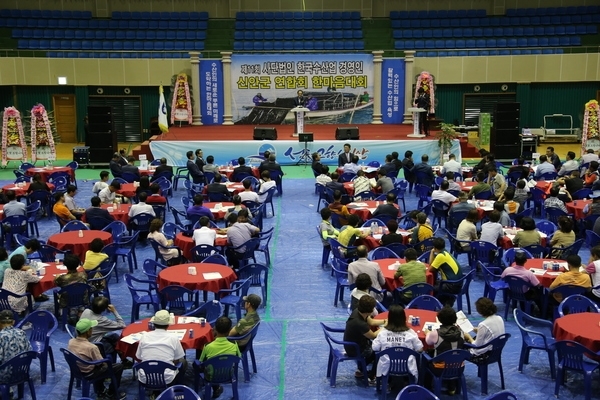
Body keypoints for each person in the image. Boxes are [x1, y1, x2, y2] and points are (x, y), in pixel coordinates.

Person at [68, 318, 126, 400]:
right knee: (117, 366)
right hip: (89, 372)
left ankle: (100, 390)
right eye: (91, 328)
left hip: (77, 369)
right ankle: (112, 393)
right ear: (88, 331)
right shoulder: (92, 347)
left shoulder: (71, 342)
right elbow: (101, 363)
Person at [372, 305, 423, 382]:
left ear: (389, 318)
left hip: (387, 366)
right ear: (404, 318)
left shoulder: (382, 333)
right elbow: (420, 349)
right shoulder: (411, 333)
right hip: (407, 367)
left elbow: (374, 348)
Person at [136, 310, 187, 386]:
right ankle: (177, 388)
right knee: (183, 362)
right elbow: (177, 359)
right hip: (167, 378)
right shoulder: (173, 338)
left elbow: (139, 357)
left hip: (145, 378)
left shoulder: (144, 336)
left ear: (154, 323)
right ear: (168, 325)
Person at [424, 306, 465, 394]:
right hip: (458, 367)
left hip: (440, 368)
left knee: (426, 358)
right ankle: (452, 387)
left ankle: (427, 389)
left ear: (440, 319)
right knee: (452, 355)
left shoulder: (435, 333)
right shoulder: (461, 332)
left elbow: (428, 342)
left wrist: (428, 333)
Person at [199, 316, 241, 399]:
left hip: (211, 376)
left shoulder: (208, 346)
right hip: (228, 374)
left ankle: (212, 388)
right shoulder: (234, 345)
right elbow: (238, 357)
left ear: (215, 329)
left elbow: (201, 362)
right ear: (229, 331)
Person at [343, 295, 382, 381]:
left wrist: (385, 321)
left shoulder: (358, 311)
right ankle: (372, 376)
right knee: (379, 351)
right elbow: (373, 335)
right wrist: (384, 328)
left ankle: (360, 369)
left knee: (375, 347)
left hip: (353, 344)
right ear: (370, 310)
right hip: (356, 349)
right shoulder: (360, 323)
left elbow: (371, 322)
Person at [80, 297, 128, 365]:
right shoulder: (102, 320)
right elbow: (122, 325)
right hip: (93, 343)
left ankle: (124, 360)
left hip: (85, 338)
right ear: (105, 308)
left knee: (115, 337)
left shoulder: (86, 311)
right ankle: (112, 367)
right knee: (113, 347)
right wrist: (114, 311)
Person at [0, 309, 32, 384]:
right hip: (22, 371)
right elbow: (30, 351)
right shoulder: (22, 332)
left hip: (6, 376)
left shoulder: (1, 336)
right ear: (13, 322)